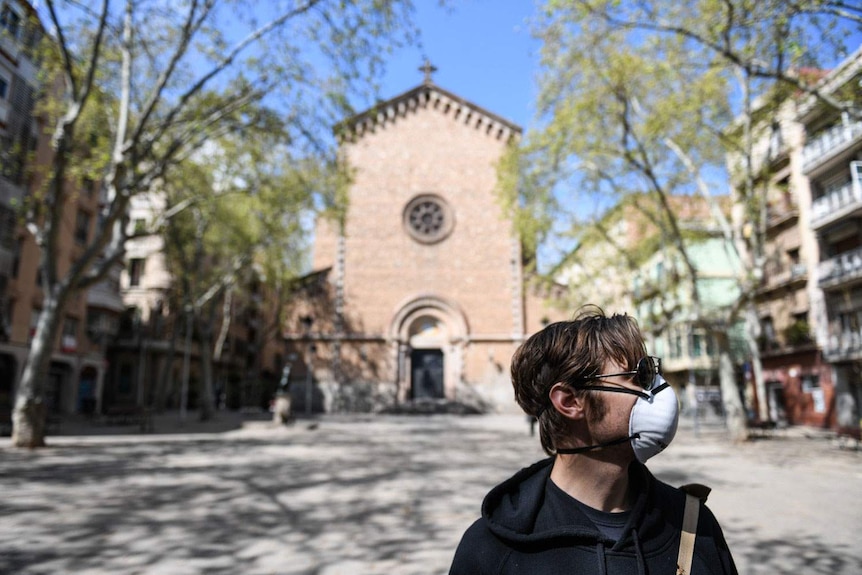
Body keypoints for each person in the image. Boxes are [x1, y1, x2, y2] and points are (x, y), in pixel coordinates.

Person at [449, 306, 737, 574]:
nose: (657, 391)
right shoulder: (490, 551)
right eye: (639, 377)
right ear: (571, 401)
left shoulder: (693, 524)